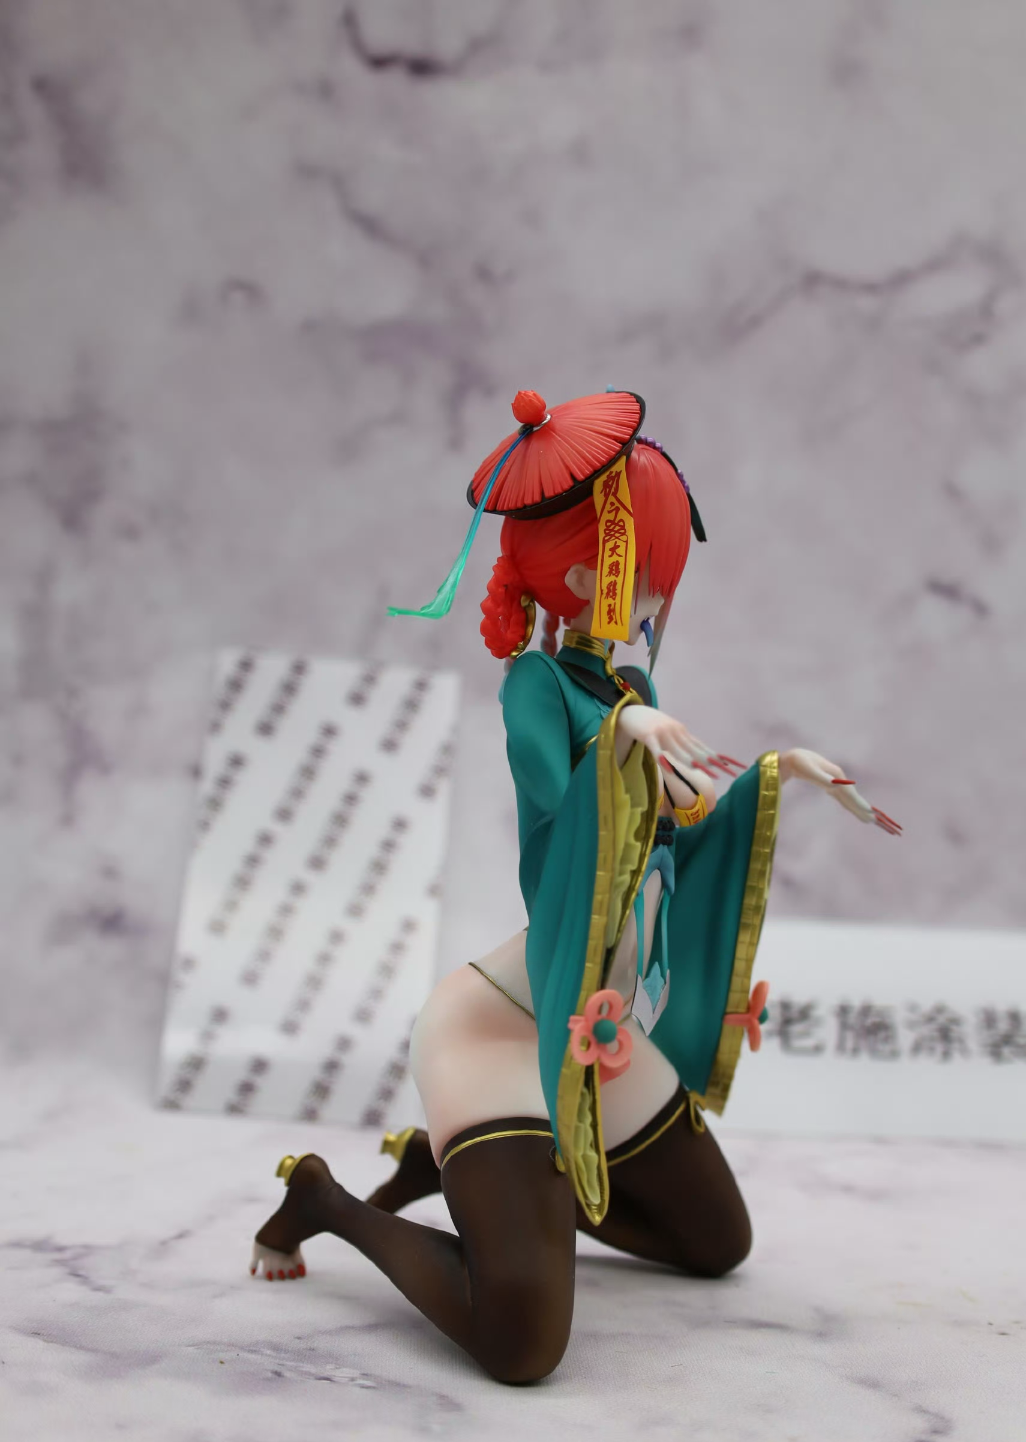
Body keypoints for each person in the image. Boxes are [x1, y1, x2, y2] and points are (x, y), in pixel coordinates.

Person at [251, 390, 901, 1383]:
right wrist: (623, 740)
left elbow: (672, 835)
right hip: (505, 1030)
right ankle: (328, 1201)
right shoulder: (535, 687)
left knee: (714, 1243)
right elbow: (559, 822)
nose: (656, 601)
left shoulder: (634, 692)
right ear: (597, 575)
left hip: (595, 1022)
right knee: (521, 1344)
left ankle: (459, 1173)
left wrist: (780, 775)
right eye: (649, 577)